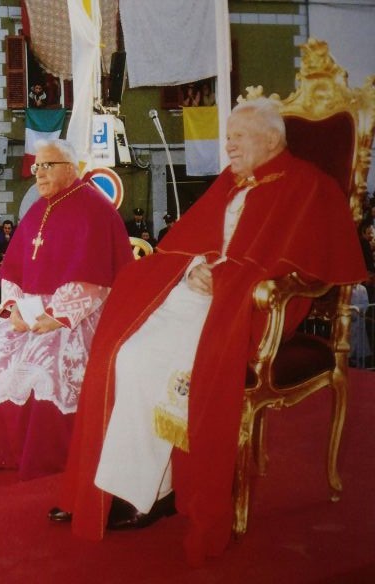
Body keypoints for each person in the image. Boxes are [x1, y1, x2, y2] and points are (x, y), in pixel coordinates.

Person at [54, 98, 366, 564]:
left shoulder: (309, 186)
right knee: (126, 351)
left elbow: (300, 267)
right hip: (199, 293)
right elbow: (191, 238)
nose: (229, 147)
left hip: (246, 307)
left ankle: (148, 494)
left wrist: (230, 280)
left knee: (151, 362)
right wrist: (194, 266)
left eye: (238, 137)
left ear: (271, 139)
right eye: (228, 137)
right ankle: (127, 485)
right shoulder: (232, 180)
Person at [0, 139, 133, 481]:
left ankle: (45, 454)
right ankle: (2, 450)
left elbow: (95, 280)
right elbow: (13, 269)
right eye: (37, 167)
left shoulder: (95, 209)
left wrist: (56, 316)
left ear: (70, 169)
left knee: (48, 357)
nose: (39, 173)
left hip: (79, 312)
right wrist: (13, 307)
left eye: (47, 166)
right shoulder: (36, 209)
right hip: (32, 310)